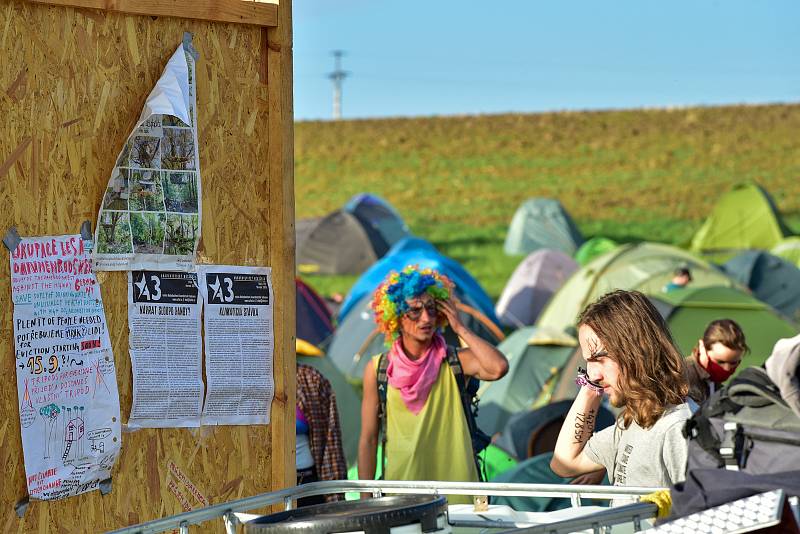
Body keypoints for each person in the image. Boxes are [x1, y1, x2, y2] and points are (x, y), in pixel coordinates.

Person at [357, 266, 508, 504]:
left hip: (459, 497)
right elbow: (368, 438)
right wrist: (366, 501)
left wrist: (460, 328)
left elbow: (498, 367)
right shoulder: (378, 369)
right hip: (402, 496)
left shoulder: (456, 360)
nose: (426, 318)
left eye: (431, 309)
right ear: (395, 317)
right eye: (415, 311)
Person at [551, 290, 691, 503]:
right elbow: (565, 463)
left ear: (636, 352)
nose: (593, 374)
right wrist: (590, 387)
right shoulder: (633, 421)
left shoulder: (678, 427)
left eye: (600, 359)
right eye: (588, 362)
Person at [296, 363, 347, 505]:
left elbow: (331, 445)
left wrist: (335, 500)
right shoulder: (245, 380)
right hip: (269, 488)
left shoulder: (311, 379)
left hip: (309, 483)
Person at [685, 319, 749, 408]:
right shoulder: (682, 378)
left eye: (733, 363)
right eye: (720, 362)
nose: (726, 368)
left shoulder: (715, 383)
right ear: (702, 347)